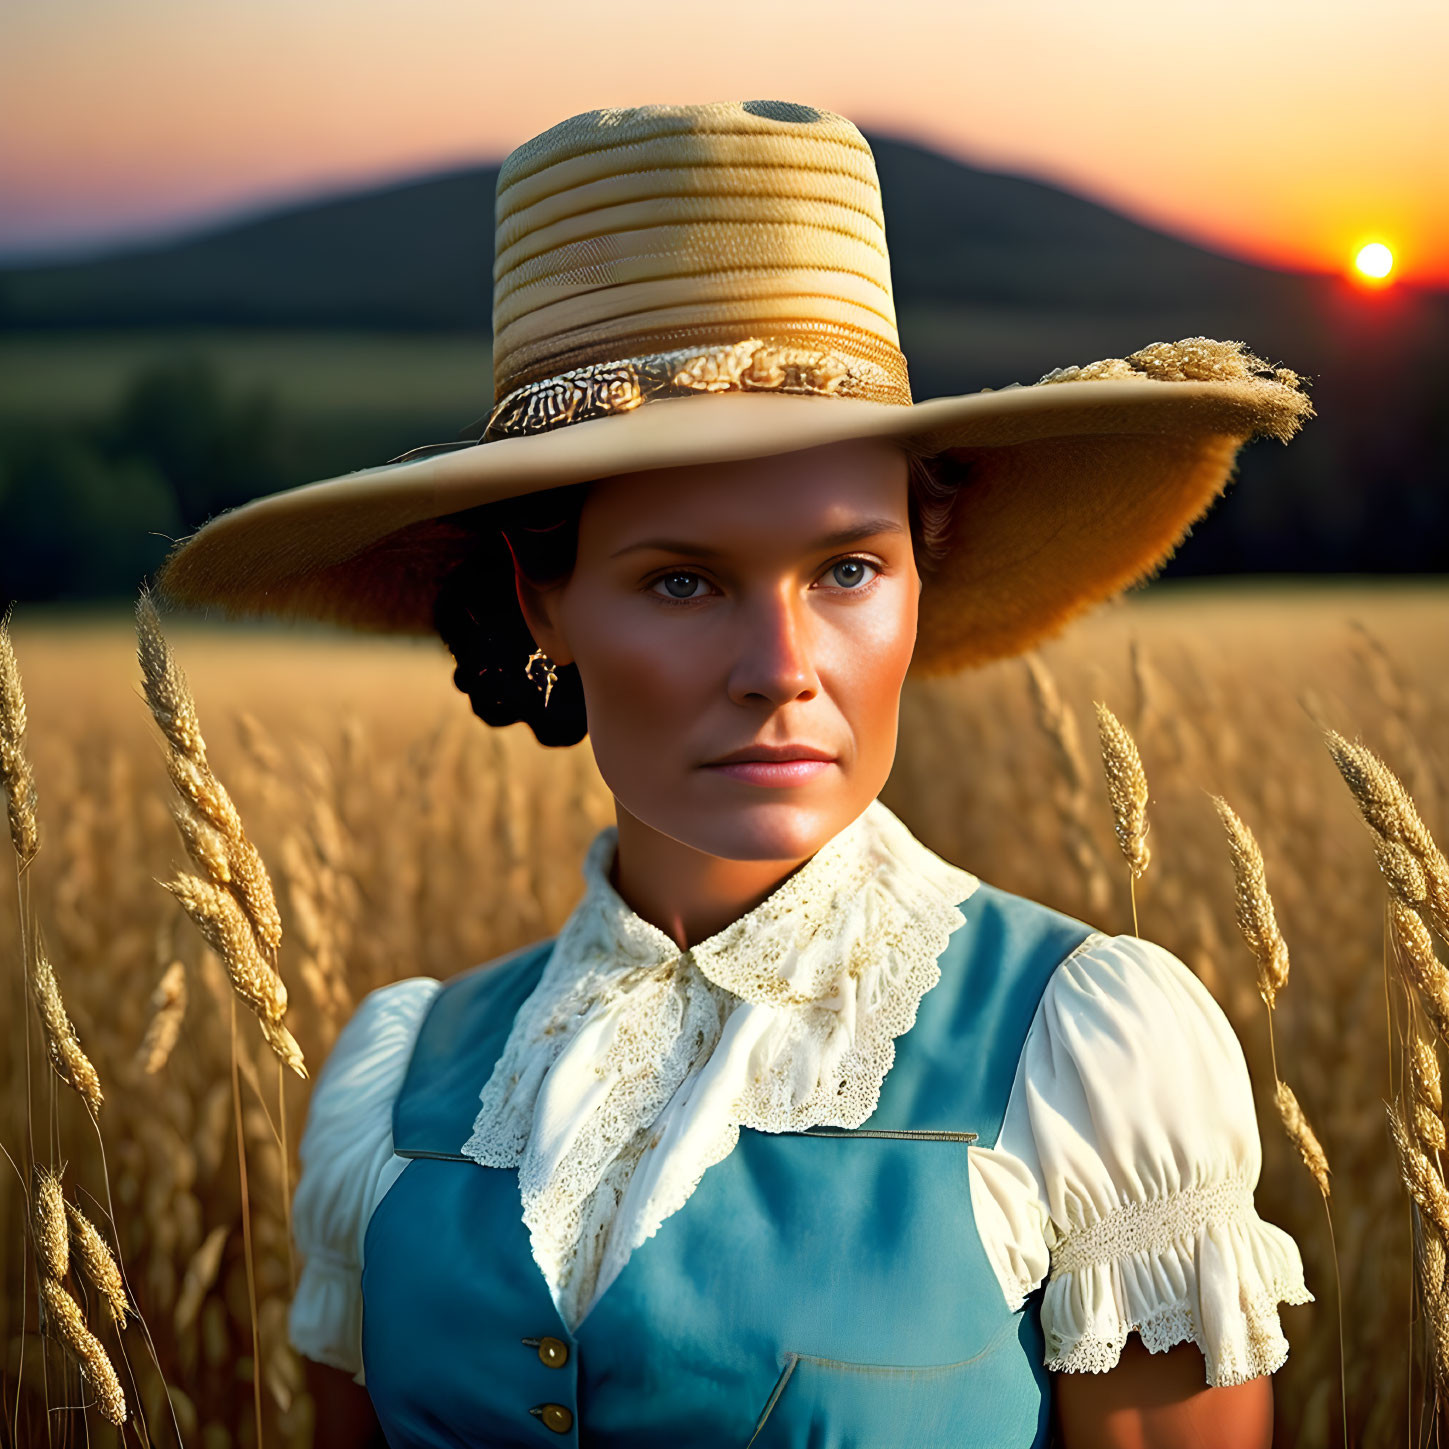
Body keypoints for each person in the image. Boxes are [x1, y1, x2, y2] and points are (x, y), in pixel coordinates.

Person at [153, 100, 1316, 1448]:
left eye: (846, 567)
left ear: (920, 574)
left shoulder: (1086, 1056)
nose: (780, 664)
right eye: (684, 578)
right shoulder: (402, 1079)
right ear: (542, 600)